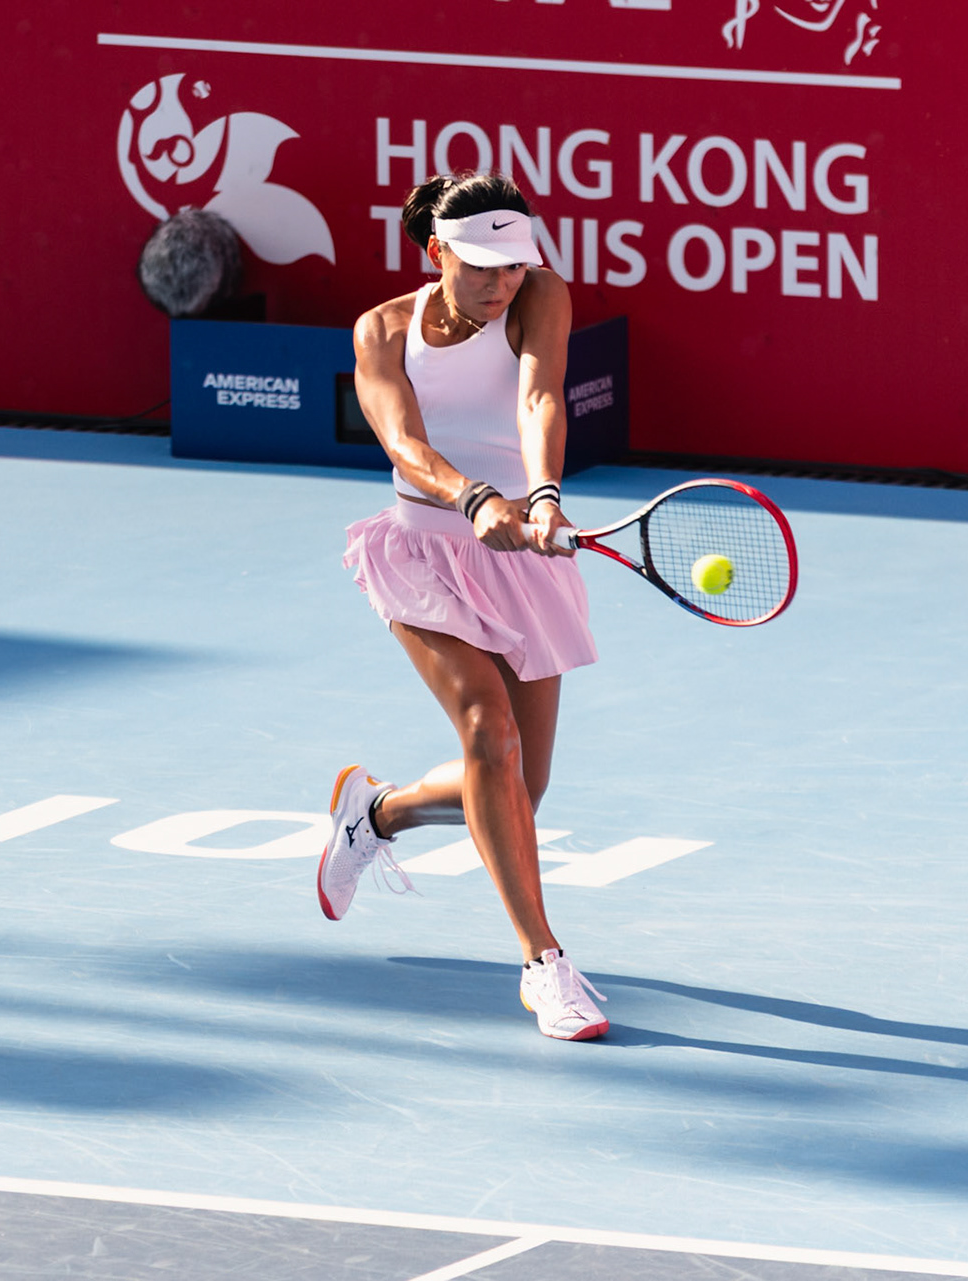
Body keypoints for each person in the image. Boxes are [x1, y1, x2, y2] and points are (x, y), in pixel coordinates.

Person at [319, 171, 608, 1041]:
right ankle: (544, 964)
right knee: (490, 733)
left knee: (523, 788)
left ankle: (376, 812)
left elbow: (539, 395)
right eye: (481, 266)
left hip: (523, 551)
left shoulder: (541, 296)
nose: (500, 284)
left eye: (512, 266)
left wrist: (544, 496)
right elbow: (404, 441)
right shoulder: (382, 330)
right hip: (421, 550)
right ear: (436, 252)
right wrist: (475, 497)